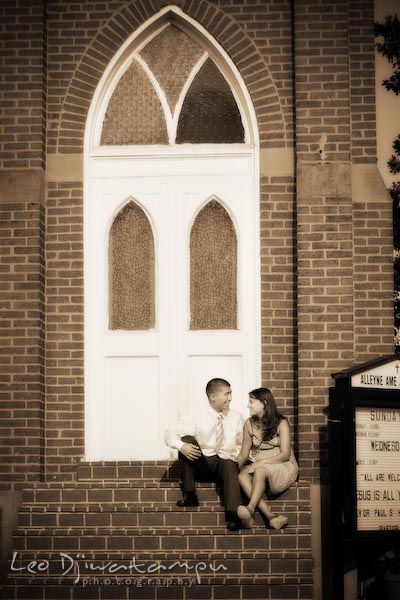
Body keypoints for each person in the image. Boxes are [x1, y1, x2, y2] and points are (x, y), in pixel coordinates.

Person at [165, 378, 244, 531]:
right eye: (227, 394)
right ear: (213, 397)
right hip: (202, 464)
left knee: (228, 462)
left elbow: (242, 445)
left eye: (231, 393)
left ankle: (234, 515)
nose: (230, 398)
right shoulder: (196, 416)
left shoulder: (236, 418)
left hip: (225, 466)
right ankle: (190, 494)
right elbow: (169, 434)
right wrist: (182, 446)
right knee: (186, 440)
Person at [236, 387, 298, 529]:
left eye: (251, 402)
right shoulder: (249, 424)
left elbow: (285, 454)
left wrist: (262, 462)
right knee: (242, 476)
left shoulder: (281, 422)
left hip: (282, 463)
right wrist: (234, 469)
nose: (248, 405)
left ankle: (250, 509)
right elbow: (244, 454)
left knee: (260, 470)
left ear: (264, 403)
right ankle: (271, 517)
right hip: (260, 463)